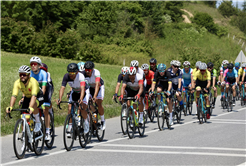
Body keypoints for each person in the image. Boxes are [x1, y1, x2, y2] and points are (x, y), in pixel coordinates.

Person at [6, 65, 44, 138]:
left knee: (34, 104)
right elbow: (14, 96)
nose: (22, 76)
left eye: (24, 74)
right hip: (27, 97)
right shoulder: (17, 83)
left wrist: (30, 107)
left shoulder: (33, 82)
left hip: (38, 96)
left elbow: (34, 96)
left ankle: (38, 122)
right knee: (24, 117)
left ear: (29, 75)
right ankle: (26, 136)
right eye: (20, 74)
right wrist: (10, 106)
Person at [57, 63, 90, 135]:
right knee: (70, 108)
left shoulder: (80, 76)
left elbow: (82, 88)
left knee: (82, 107)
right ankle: (70, 126)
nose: (71, 74)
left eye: (73, 73)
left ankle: (86, 123)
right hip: (74, 91)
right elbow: (62, 88)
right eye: (69, 72)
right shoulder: (66, 76)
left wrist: (81, 99)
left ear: (77, 72)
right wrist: (60, 99)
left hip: (83, 91)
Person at [29, 56, 52, 140]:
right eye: (31, 64)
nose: (33, 66)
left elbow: (44, 88)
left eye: (35, 64)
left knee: (45, 109)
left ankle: (47, 132)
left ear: (39, 65)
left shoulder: (43, 73)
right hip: (35, 91)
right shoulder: (30, 74)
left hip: (45, 90)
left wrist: (40, 98)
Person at [81, 61, 106, 130]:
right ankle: (93, 115)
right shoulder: (82, 74)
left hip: (99, 87)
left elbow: (97, 85)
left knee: (98, 102)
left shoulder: (96, 72)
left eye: (89, 70)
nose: (87, 72)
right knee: (88, 102)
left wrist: (94, 97)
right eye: (86, 70)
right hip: (90, 88)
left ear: (92, 69)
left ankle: (103, 120)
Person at [40, 63, 54, 140]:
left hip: (48, 87)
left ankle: (48, 132)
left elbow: (45, 87)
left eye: (43, 70)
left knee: (45, 107)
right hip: (38, 89)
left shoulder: (47, 74)